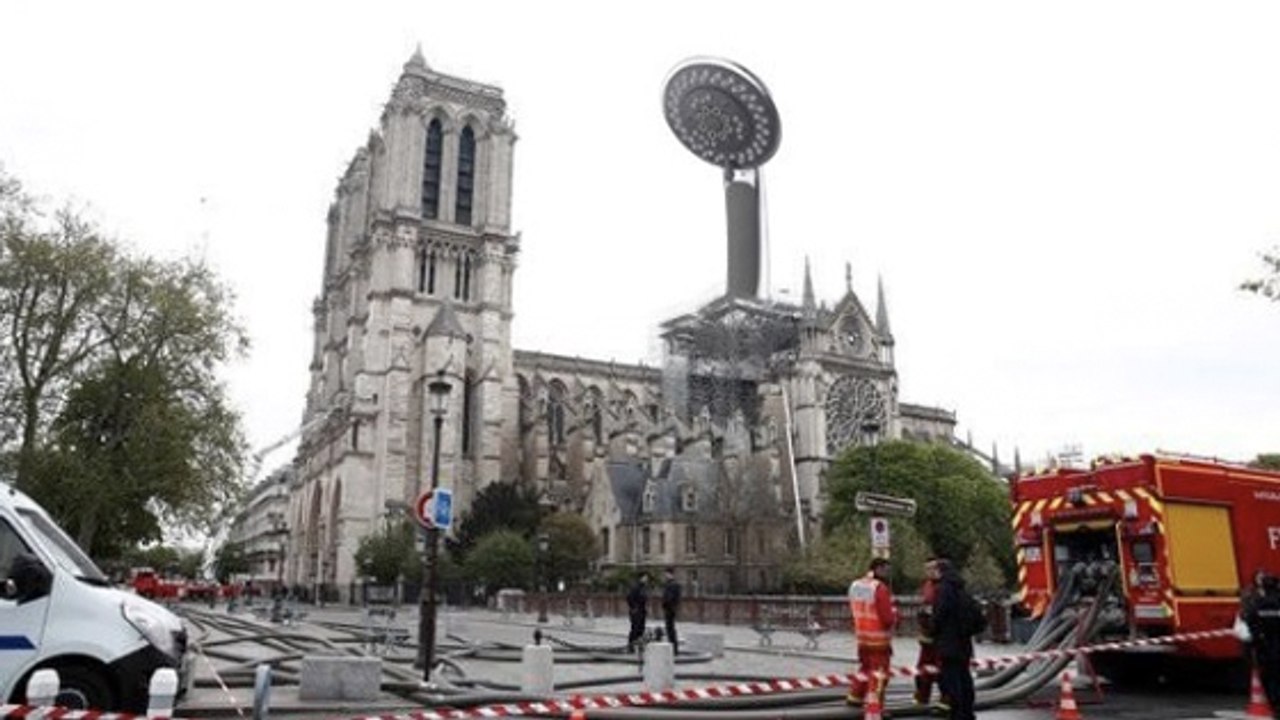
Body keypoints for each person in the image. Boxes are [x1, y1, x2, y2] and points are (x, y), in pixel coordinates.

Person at [847, 557, 898, 707]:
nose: (888, 573)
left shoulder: (856, 585)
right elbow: (887, 618)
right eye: (886, 569)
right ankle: (874, 705)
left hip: (862, 638)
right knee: (879, 674)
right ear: (878, 569)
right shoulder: (880, 588)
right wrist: (895, 616)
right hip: (878, 640)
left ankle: (855, 697)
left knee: (864, 669)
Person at [932, 558, 978, 720]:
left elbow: (940, 615)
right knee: (964, 676)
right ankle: (968, 711)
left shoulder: (944, 590)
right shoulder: (962, 590)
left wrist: (933, 629)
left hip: (948, 643)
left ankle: (957, 713)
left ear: (940, 571)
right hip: (964, 643)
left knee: (952, 679)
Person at [915, 557, 949, 708]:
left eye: (932, 569)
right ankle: (922, 696)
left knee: (942, 669)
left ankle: (946, 698)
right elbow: (925, 605)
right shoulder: (928, 585)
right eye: (927, 569)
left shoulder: (945, 588)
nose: (929, 572)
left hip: (941, 636)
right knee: (923, 668)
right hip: (927, 636)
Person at [1246, 573, 1280, 711]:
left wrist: (1255, 641)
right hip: (1277, 646)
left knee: (1267, 676)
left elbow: (1250, 622)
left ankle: (1273, 703)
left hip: (1264, 647)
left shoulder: (1258, 605)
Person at [626, 572, 650, 652]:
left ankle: (639, 645)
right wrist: (634, 608)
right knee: (635, 629)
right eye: (645, 577)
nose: (647, 579)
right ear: (641, 578)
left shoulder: (644, 588)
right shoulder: (635, 587)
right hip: (636, 611)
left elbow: (644, 599)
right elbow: (629, 598)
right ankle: (631, 645)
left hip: (642, 611)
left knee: (641, 629)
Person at [662, 567, 682, 654]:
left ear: (670, 574)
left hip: (670, 609)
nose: (665, 576)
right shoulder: (670, 584)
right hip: (671, 608)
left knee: (670, 629)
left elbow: (670, 598)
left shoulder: (673, 584)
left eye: (666, 574)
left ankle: (673, 648)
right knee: (670, 628)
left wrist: (665, 603)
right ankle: (673, 647)